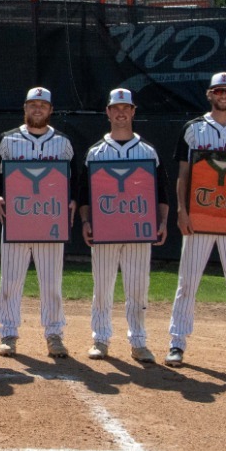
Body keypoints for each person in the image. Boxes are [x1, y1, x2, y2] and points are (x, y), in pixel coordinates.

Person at [166, 72, 226, 373]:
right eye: (219, 90)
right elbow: (184, 175)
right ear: (210, 93)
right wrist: (181, 210)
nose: (224, 95)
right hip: (200, 215)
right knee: (187, 282)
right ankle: (177, 342)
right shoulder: (193, 129)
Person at [80, 90, 168, 362]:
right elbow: (84, 194)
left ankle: (139, 341)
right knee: (102, 287)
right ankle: (101, 338)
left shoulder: (147, 151)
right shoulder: (96, 152)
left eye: (125, 108)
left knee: (137, 287)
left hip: (138, 231)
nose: (120, 113)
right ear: (108, 112)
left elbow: (161, 192)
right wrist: (85, 221)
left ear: (133, 111)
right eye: (115, 108)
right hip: (105, 231)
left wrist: (162, 222)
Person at [0, 87, 76, 358]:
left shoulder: (62, 142)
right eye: (32, 104)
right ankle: (8, 333)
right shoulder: (8, 139)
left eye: (43, 105)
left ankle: (54, 334)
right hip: (16, 220)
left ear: (50, 110)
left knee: (51, 282)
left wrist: (72, 200)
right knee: (11, 281)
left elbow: (72, 180)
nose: (37, 109)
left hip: (50, 221)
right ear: (25, 108)